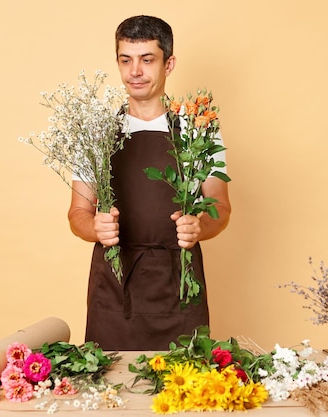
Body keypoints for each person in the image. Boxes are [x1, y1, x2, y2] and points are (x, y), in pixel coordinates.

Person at [67, 15, 231, 350]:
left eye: (147, 60)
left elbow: (221, 206)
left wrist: (201, 227)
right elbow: (77, 213)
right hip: (114, 287)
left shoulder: (198, 128)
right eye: (126, 60)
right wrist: (95, 228)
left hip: (179, 286)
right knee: (111, 388)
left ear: (168, 64)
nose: (135, 72)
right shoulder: (95, 132)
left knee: (185, 389)